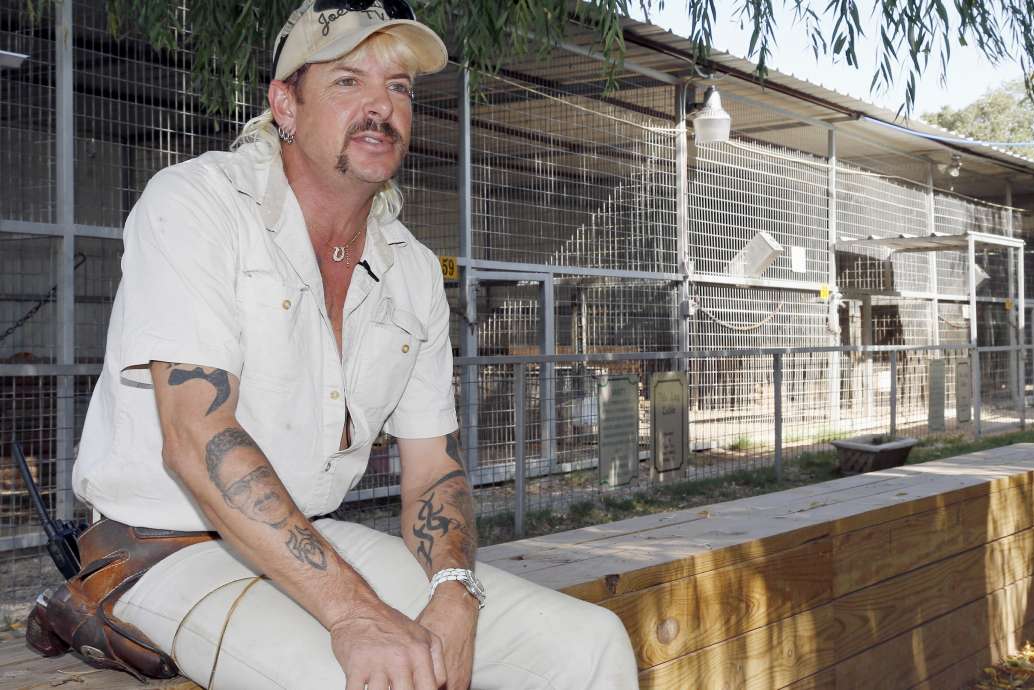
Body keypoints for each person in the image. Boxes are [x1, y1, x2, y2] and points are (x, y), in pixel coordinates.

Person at [71, 1, 638, 688]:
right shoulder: (197, 203)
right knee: (374, 676)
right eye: (347, 80)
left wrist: (455, 590)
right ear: (285, 104)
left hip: (311, 535)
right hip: (161, 553)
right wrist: (357, 614)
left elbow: (433, 468)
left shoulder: (413, 269)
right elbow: (196, 437)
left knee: (589, 644)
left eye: (398, 86)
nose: (381, 106)